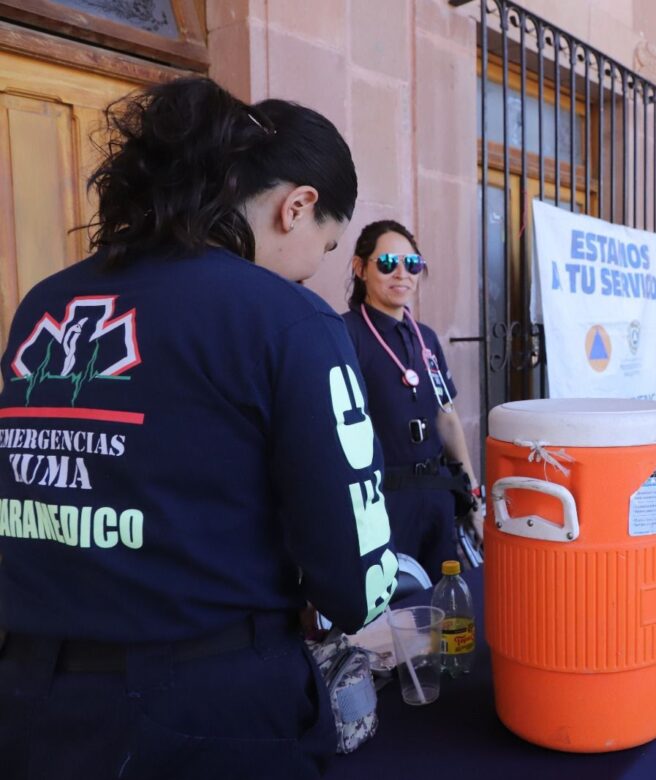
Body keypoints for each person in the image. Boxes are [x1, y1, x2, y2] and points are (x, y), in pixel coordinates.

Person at [0, 77, 398, 780]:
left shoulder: (45, 302)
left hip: (32, 700)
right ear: (297, 206)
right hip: (206, 711)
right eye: (327, 246)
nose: (312, 273)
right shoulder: (286, 320)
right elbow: (354, 583)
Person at [343, 220, 483, 583]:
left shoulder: (426, 338)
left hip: (436, 494)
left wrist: (473, 495)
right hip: (384, 501)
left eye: (413, 264)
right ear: (360, 268)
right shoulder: (345, 334)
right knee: (392, 608)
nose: (401, 274)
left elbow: (448, 419)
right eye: (387, 263)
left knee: (443, 601)